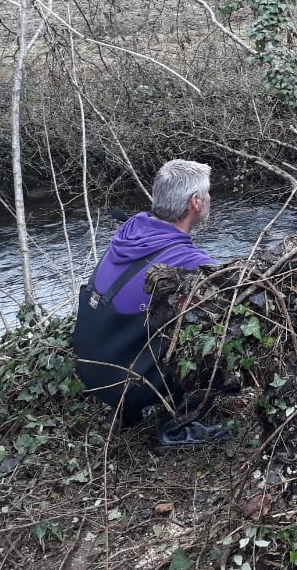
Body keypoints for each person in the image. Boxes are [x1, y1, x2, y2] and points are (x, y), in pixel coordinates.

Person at [73, 159, 231, 446]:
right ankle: (176, 430)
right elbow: (236, 294)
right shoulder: (189, 262)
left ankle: (129, 412)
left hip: (91, 368)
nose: (210, 199)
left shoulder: (131, 231)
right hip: (121, 383)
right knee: (220, 341)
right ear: (195, 203)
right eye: (207, 194)